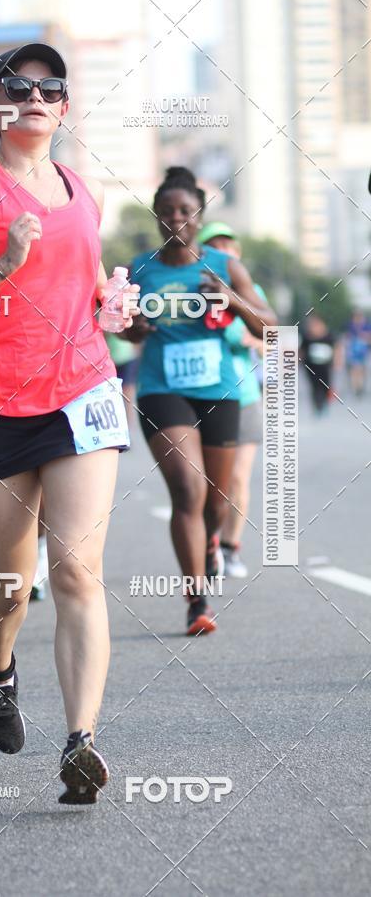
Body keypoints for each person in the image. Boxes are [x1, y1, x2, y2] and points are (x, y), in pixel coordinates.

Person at [0, 42, 139, 803]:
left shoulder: (85, 189)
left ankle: (81, 742)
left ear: (64, 107)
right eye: (18, 85)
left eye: (50, 87)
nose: (35, 96)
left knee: (76, 568)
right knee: (7, 590)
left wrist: (116, 310)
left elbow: (86, 295)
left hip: (82, 390)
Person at [124, 167, 276, 635]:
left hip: (219, 389)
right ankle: (196, 602)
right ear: (156, 216)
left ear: (199, 217)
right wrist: (135, 328)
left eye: (185, 212)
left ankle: (213, 540)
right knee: (187, 490)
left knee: (217, 498)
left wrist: (230, 299)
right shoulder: (139, 268)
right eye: (166, 212)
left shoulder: (224, 266)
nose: (175, 219)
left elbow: (268, 325)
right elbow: (120, 326)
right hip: (161, 388)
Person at [197, 222, 268, 578]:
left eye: (228, 245)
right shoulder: (194, 288)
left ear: (237, 253)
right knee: (206, 481)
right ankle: (208, 543)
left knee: (238, 477)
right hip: (199, 396)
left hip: (243, 395)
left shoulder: (250, 290)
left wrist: (248, 339)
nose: (223, 251)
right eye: (214, 246)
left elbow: (270, 336)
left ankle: (230, 547)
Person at [299, 313, 335, 415]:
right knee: (314, 386)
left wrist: (337, 361)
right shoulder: (307, 337)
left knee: (325, 385)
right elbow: (302, 350)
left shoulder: (328, 335)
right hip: (311, 366)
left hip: (325, 366)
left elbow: (336, 348)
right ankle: (317, 406)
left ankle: (324, 403)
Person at [345, 310, 371, 397]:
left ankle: (359, 386)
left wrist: (364, 336)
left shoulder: (366, 326)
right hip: (353, 352)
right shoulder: (351, 327)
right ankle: (356, 387)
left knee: (361, 370)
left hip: (363, 352)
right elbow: (347, 338)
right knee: (355, 370)